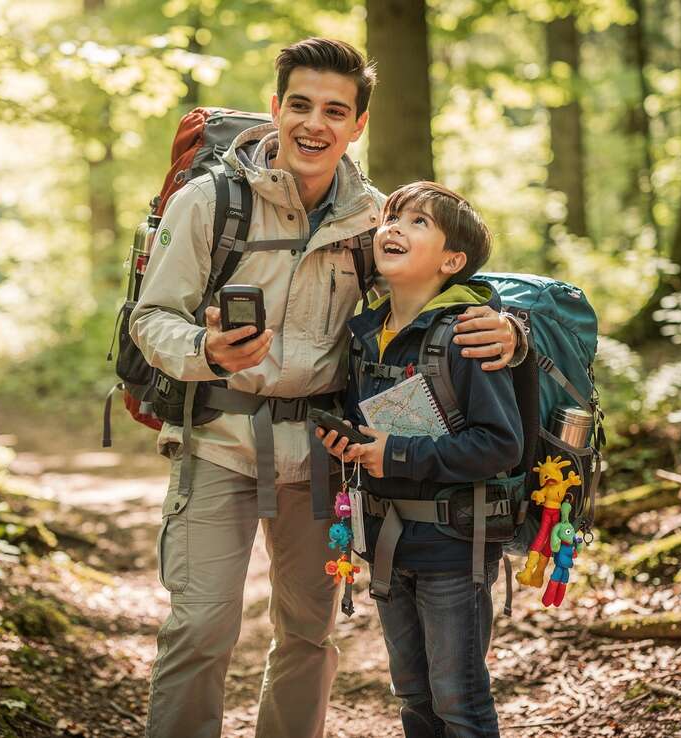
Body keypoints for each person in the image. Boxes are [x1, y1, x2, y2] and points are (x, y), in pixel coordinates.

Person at [129, 38, 522, 738]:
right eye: (301, 105)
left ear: (357, 124)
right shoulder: (209, 202)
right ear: (276, 108)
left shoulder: (372, 217)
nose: (315, 124)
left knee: (309, 635)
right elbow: (150, 318)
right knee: (200, 630)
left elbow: (438, 288)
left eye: (334, 111)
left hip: (320, 457)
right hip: (216, 442)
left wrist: (516, 331)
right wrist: (205, 349)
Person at [319, 181, 521, 738]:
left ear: (451, 260)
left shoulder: (468, 335)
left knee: (459, 699)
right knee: (412, 695)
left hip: (454, 547)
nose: (395, 229)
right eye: (392, 218)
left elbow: (500, 445)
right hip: (387, 542)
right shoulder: (366, 336)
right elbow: (373, 435)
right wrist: (353, 447)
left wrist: (398, 453)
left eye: (417, 223)